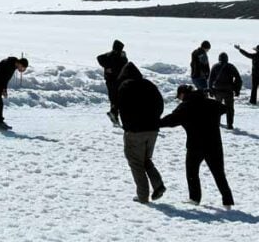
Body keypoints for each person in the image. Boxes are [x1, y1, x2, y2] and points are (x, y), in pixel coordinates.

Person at [160, 84, 235, 208]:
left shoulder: (185, 106)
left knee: (192, 172)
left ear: (183, 94)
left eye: (179, 96)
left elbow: (171, 120)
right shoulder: (210, 103)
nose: (179, 99)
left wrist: (155, 124)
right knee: (219, 174)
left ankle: (194, 198)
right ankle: (228, 201)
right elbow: (223, 108)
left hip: (195, 145)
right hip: (214, 144)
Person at [116, 62, 166, 203]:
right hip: (153, 129)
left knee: (136, 162)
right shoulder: (149, 85)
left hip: (135, 131)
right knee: (145, 159)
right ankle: (158, 185)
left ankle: (143, 195)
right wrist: (154, 119)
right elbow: (160, 104)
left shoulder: (125, 86)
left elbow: (121, 107)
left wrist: (127, 123)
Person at [0, 56, 30, 131]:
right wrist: (3, 89)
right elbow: (2, 77)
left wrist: (4, 89)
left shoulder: (13, 65)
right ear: (20, 64)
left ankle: (0, 122)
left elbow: (6, 79)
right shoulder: (9, 64)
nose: (22, 70)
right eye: (23, 68)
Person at [208, 52, 242, 129]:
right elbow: (238, 79)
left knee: (217, 107)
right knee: (229, 108)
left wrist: (210, 90)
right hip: (228, 91)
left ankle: (217, 121)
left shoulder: (215, 66)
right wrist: (237, 90)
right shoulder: (231, 67)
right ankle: (229, 124)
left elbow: (210, 80)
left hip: (217, 91)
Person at [97, 40, 128, 125]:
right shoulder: (111, 55)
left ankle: (114, 116)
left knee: (116, 99)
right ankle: (114, 115)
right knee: (116, 98)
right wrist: (107, 67)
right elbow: (99, 58)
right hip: (112, 80)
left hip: (118, 80)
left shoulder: (121, 55)